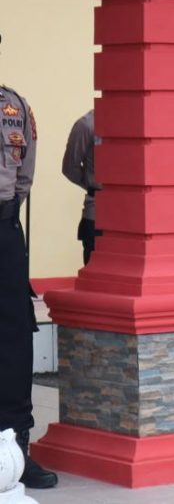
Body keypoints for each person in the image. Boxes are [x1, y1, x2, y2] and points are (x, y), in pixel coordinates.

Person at [0, 35, 56, 489]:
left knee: (14, 340)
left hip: (3, 231)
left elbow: (25, 174)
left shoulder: (14, 106)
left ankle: (15, 449)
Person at [61, 109, 98, 265]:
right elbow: (70, 168)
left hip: (130, 218)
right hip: (97, 213)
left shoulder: (135, 121)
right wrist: (93, 186)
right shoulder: (87, 124)